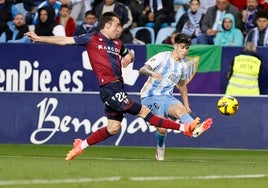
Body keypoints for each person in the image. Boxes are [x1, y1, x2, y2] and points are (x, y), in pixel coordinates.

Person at [25, 12, 210, 161]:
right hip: (109, 88)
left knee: (113, 128)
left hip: (118, 88)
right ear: (107, 26)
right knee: (144, 112)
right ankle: (184, 128)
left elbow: (129, 53)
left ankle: (80, 146)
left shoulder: (117, 43)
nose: (120, 28)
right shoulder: (91, 39)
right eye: (117, 25)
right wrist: (39, 38)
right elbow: (65, 40)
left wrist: (130, 56)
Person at [139, 33, 213, 161]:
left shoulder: (183, 66)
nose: (184, 51)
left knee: (181, 110)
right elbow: (143, 69)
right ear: (175, 46)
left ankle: (194, 129)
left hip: (167, 97)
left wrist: (187, 105)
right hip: (150, 96)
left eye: (187, 48)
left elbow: (182, 86)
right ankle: (160, 150)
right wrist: (152, 72)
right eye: (182, 47)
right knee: (162, 129)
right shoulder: (162, 57)